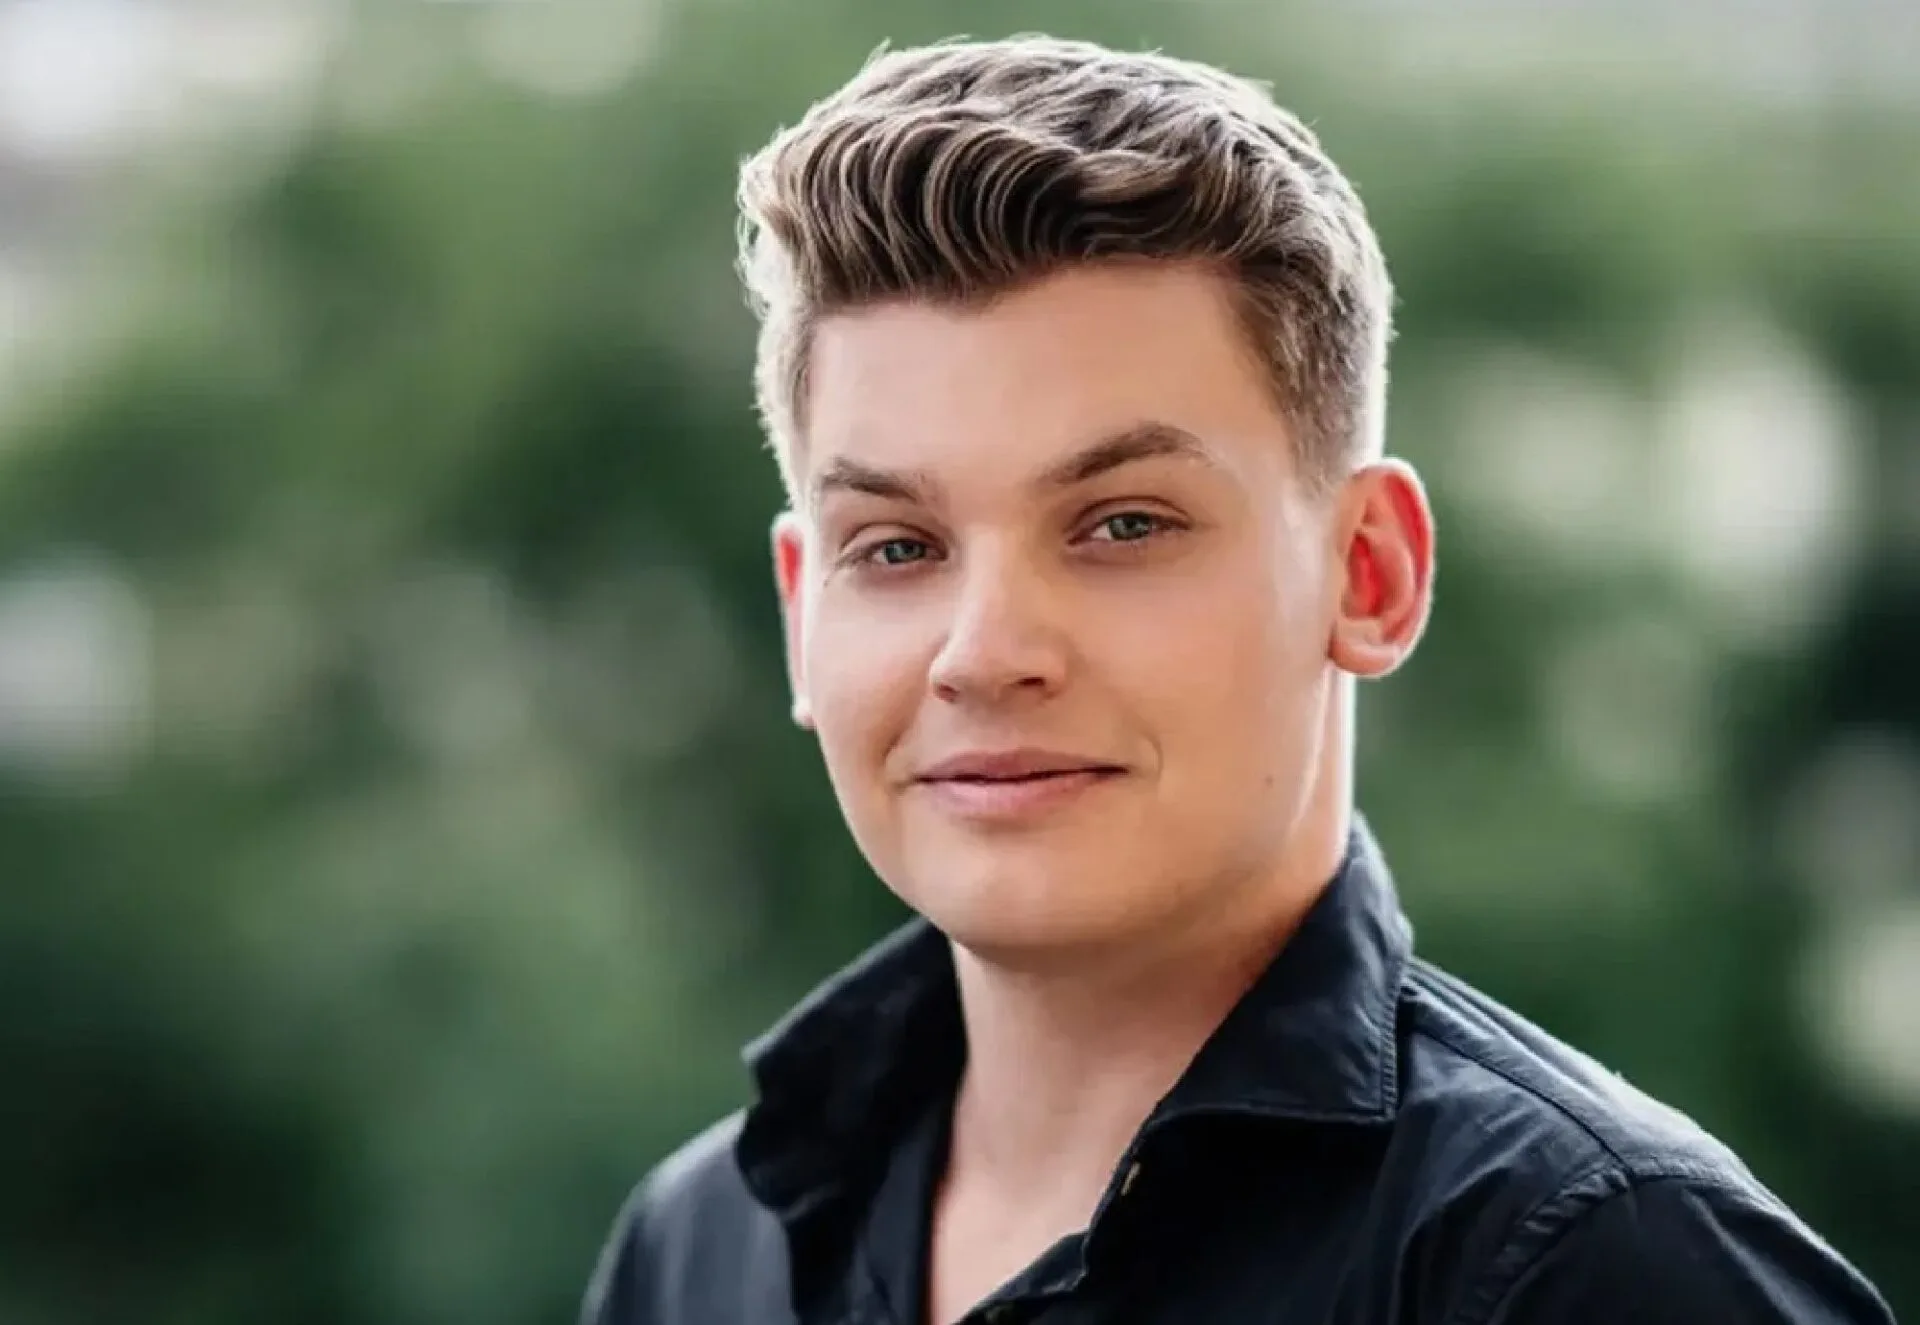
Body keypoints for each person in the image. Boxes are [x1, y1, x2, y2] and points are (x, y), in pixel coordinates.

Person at [581, 34, 1895, 1325]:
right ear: (803, 615)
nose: (982, 652)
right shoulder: (699, 1254)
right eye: (896, 547)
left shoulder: (1593, 1273)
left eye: (1123, 524)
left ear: (1367, 573)